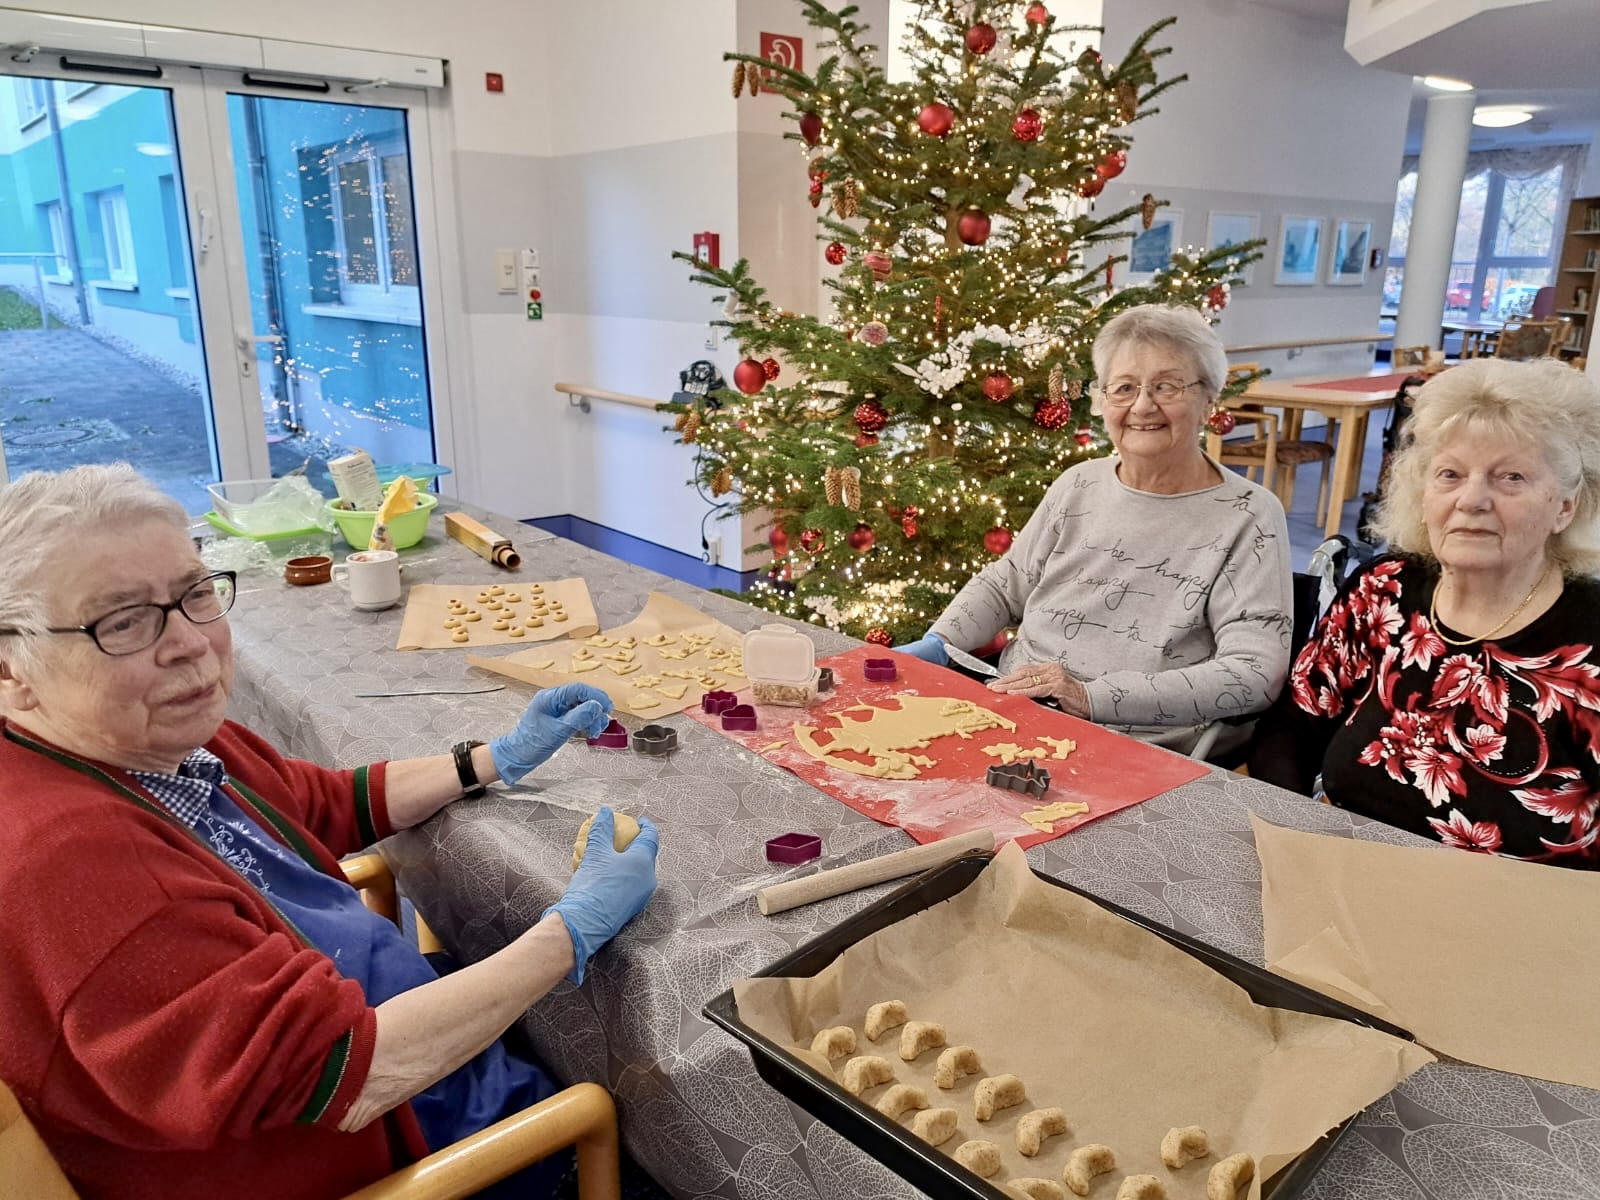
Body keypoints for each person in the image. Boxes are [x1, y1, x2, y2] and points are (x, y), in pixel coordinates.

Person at [0, 464, 661, 1198]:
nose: (189, 642)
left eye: (193, 594)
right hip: (392, 1139)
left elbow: (315, 802)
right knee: (662, 1109)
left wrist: (489, 760)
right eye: (122, 620)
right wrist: (569, 931)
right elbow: (351, 1072)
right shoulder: (72, 870)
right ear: (11, 669)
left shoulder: (147, 742)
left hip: (377, 1030)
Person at [898, 304, 1294, 755]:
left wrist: (1090, 699)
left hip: (1136, 741)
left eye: (1166, 386)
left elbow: (1254, 673)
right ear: (1102, 401)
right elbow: (1007, 584)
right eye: (1123, 388)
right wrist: (939, 641)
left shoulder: (1248, 514)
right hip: (1011, 706)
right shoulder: (1078, 483)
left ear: (1208, 401)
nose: (1143, 406)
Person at [1251, 358, 1600, 870]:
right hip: (1339, 880)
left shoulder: (1589, 642)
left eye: (1511, 477)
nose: (1472, 499)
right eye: (1450, 475)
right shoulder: (1385, 588)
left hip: (1518, 921)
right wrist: (1294, 836)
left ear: (1565, 507)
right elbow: (1292, 727)